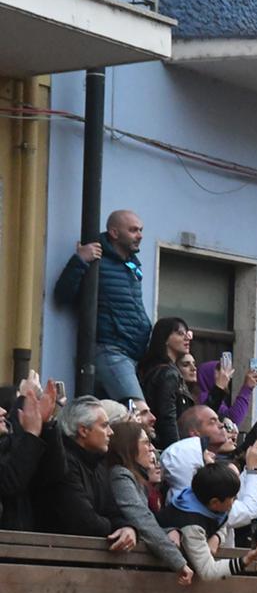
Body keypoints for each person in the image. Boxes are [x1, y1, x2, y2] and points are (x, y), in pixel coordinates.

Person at [53, 210, 152, 401]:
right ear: (114, 233)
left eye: (140, 230)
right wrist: (79, 260)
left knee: (116, 423)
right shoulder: (98, 261)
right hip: (111, 352)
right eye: (133, 230)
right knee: (139, 412)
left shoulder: (131, 265)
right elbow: (62, 295)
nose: (140, 236)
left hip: (132, 355)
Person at [39, 396, 137, 553]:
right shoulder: (63, 463)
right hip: (58, 556)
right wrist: (112, 527)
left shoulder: (98, 464)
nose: (111, 432)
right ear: (83, 430)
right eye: (104, 426)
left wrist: (127, 528)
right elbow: (83, 521)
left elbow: (113, 510)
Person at [106, 420, 192, 585]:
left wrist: (171, 531)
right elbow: (141, 519)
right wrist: (179, 562)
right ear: (129, 447)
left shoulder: (138, 479)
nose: (152, 449)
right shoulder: (120, 475)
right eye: (146, 443)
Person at [156, 462, 257, 581]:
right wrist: (246, 559)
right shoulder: (192, 526)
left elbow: (223, 520)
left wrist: (217, 537)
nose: (235, 501)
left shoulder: (203, 499)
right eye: (232, 498)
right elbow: (208, 572)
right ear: (215, 502)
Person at [0, 377, 63, 532]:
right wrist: (32, 434)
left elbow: (55, 473)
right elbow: (9, 481)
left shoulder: (9, 442)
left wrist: (46, 425)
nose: (3, 412)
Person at [137, 317, 195, 450]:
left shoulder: (160, 369)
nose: (187, 338)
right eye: (180, 333)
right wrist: (176, 450)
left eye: (187, 334)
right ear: (165, 339)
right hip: (167, 448)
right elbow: (167, 417)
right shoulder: (168, 374)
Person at [197, 360, 257, 429]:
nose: (225, 374)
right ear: (208, 375)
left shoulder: (217, 398)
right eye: (219, 370)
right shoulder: (203, 398)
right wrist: (247, 388)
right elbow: (233, 418)